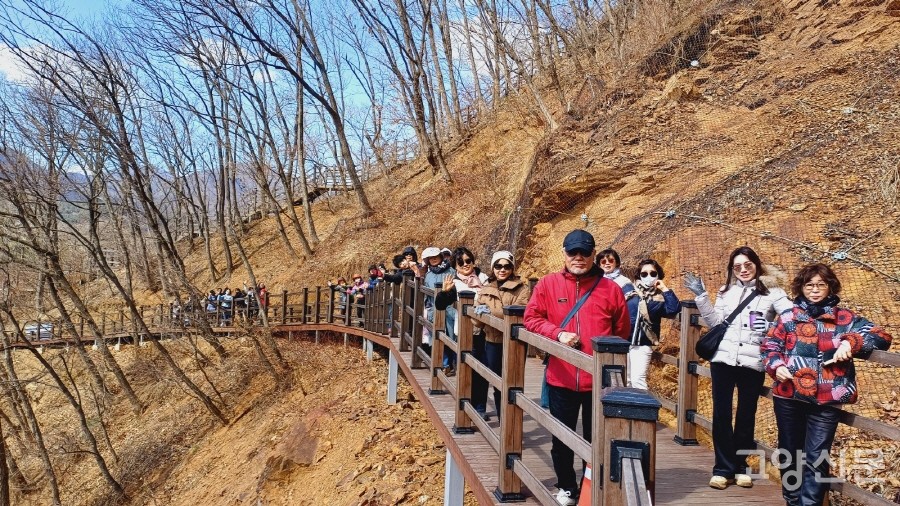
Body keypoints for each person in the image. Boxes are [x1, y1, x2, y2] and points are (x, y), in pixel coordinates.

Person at [762, 263, 892, 506]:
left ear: (830, 287)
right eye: (809, 284)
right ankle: (792, 501)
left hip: (827, 398)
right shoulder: (788, 316)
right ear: (801, 288)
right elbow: (770, 346)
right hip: (789, 397)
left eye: (821, 284)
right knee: (790, 455)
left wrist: (851, 342)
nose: (814, 290)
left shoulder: (845, 318)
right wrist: (776, 365)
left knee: (817, 458)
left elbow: (882, 336)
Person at [524, 229, 630, 505]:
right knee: (562, 438)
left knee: (596, 438)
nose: (579, 258)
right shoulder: (548, 284)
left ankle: (590, 487)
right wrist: (557, 333)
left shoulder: (611, 289)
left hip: (600, 381)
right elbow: (531, 318)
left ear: (594, 254)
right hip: (562, 376)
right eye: (573, 252)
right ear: (565, 254)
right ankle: (568, 487)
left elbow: (622, 332)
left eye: (584, 252)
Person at [684, 246, 793, 490]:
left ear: (756, 264)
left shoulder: (773, 292)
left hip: (753, 361)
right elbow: (714, 322)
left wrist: (770, 326)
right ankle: (723, 469)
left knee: (746, 414)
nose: (743, 270)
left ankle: (741, 466)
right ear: (732, 270)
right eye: (737, 266)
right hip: (723, 360)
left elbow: (791, 319)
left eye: (747, 265)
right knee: (721, 413)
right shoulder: (726, 291)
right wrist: (702, 295)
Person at [473, 250, 531, 421]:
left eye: (507, 266)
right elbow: (476, 322)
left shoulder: (522, 289)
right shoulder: (486, 288)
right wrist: (479, 314)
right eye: (498, 266)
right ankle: (503, 420)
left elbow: (519, 314)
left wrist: (488, 311)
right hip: (491, 340)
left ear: (512, 268)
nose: (502, 269)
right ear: (493, 268)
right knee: (497, 381)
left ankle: (509, 422)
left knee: (512, 383)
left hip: (515, 343)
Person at [435, 247, 489, 403]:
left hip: (488, 330)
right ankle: (466, 403)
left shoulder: (484, 278)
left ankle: (479, 406)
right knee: (468, 369)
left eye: (468, 260)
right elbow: (439, 305)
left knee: (484, 370)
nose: (465, 264)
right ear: (455, 266)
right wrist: (444, 293)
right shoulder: (454, 283)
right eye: (460, 262)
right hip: (467, 332)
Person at [626, 259, 681, 389]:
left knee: (638, 380)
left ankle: (642, 409)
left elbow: (673, 309)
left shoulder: (660, 299)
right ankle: (627, 409)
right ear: (639, 275)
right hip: (624, 342)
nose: (648, 276)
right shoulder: (630, 292)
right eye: (644, 274)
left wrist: (664, 288)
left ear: (658, 275)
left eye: (652, 273)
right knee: (625, 380)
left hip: (643, 345)